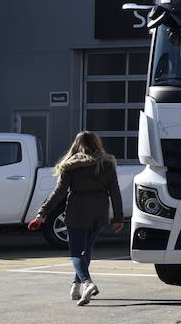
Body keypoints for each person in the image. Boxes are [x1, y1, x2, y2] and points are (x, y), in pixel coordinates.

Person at [28, 131, 123, 305]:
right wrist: (118, 217)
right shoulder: (107, 164)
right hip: (100, 211)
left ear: (76, 145)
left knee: (77, 251)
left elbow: (58, 193)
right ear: (97, 143)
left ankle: (87, 283)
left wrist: (42, 213)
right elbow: (115, 193)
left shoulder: (71, 166)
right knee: (85, 250)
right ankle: (75, 286)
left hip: (77, 210)